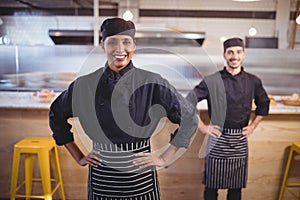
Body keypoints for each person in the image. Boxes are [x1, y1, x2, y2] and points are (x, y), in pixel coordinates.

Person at [49, 17, 198, 200]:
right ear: (103, 45)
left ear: (134, 45)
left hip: (141, 181)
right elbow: (56, 115)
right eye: (112, 42)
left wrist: (164, 157)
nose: (120, 49)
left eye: (126, 42)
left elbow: (189, 118)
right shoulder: (85, 85)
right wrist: (79, 156)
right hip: (103, 180)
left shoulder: (152, 82)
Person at [186, 37, 270, 200]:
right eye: (230, 52)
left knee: (235, 189)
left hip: (239, 141)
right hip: (217, 139)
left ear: (244, 54)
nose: (234, 56)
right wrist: (202, 127)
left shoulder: (253, 81)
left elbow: (264, 104)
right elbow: (188, 101)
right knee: (211, 187)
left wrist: (253, 126)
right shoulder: (212, 80)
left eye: (238, 52)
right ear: (224, 55)